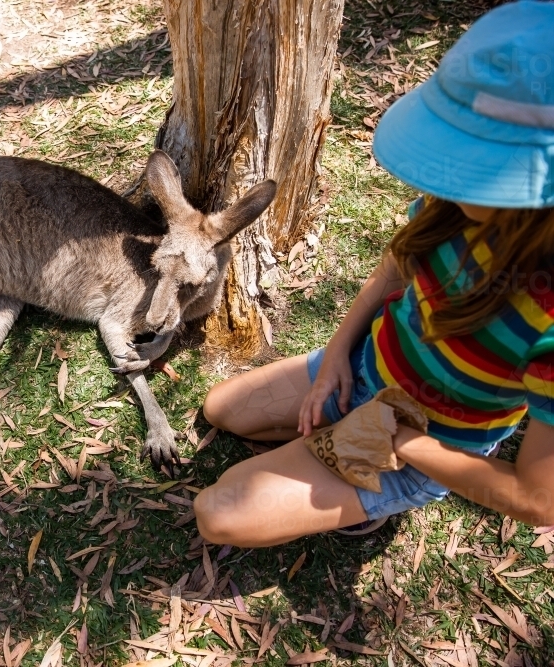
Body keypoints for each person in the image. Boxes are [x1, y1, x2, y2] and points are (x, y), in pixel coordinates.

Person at [193, 1, 554, 546]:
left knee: (219, 511)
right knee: (221, 410)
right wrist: (339, 352)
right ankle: (329, 460)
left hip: (425, 439)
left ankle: (370, 500)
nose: (447, 174)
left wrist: (403, 441)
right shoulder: (456, 208)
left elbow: (536, 499)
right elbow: (393, 272)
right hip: (366, 367)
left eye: (472, 161)